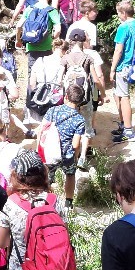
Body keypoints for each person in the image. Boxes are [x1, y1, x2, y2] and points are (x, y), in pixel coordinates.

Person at [63, 28, 106, 169]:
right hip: (85, 99)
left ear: (70, 40)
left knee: (70, 126)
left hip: (69, 100)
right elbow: (96, 79)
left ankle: (70, 157)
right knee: (87, 127)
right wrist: (103, 94)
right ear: (83, 41)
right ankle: (82, 158)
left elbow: (59, 79)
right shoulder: (88, 58)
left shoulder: (65, 58)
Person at [42, 83, 87, 214]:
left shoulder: (53, 110)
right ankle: (68, 203)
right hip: (67, 154)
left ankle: (46, 202)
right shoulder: (79, 119)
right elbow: (76, 144)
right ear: (80, 101)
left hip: (50, 151)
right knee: (70, 175)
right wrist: (75, 156)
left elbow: (42, 130)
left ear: (66, 96)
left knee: (46, 177)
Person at [16, 0, 61, 101]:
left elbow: (18, 26)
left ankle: (30, 102)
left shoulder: (30, 8)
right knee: (46, 74)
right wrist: (52, 38)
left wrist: (18, 40)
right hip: (47, 48)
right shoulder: (52, 11)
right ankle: (44, 101)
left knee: (32, 75)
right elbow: (58, 30)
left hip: (32, 47)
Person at [110, 0, 135, 144]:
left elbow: (118, 50)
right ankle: (123, 125)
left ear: (123, 13)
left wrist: (112, 69)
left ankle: (129, 132)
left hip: (123, 66)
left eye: (118, 13)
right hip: (133, 64)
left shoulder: (123, 27)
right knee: (118, 94)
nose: (118, 16)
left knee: (124, 97)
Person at [25, 36, 66, 127]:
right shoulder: (63, 64)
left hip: (39, 97)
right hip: (54, 100)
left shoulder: (40, 60)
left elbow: (32, 83)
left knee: (39, 127)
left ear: (53, 48)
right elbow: (60, 82)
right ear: (65, 51)